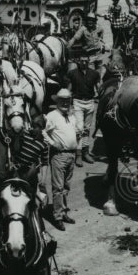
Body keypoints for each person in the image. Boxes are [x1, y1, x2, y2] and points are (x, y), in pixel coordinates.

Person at [43, 89, 78, 231]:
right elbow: (42, 131)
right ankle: (57, 217)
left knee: (66, 186)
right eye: (62, 100)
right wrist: (52, 143)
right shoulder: (52, 116)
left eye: (67, 100)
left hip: (71, 155)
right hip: (59, 155)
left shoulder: (71, 116)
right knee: (58, 188)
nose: (65, 102)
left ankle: (63, 212)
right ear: (57, 101)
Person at [66, 55, 101, 165]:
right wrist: (66, 100)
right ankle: (79, 154)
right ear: (78, 61)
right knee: (79, 128)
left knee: (87, 128)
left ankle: (86, 152)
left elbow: (99, 88)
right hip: (77, 102)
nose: (84, 63)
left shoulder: (94, 74)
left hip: (90, 103)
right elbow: (69, 89)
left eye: (86, 61)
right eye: (82, 61)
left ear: (89, 61)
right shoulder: (72, 73)